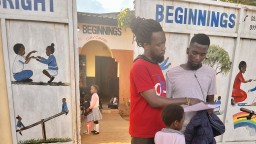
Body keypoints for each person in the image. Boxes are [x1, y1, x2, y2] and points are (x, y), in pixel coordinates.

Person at [129, 17, 200, 144]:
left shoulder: (155, 65)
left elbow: (162, 98)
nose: (163, 48)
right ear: (146, 45)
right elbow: (154, 101)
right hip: (144, 136)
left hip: (158, 132)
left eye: (164, 43)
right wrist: (187, 100)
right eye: (158, 45)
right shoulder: (139, 66)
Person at [166, 33, 216, 133]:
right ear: (187, 50)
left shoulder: (210, 73)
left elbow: (210, 101)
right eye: (194, 52)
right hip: (178, 131)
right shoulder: (171, 74)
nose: (197, 58)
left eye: (202, 54)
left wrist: (210, 108)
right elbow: (167, 103)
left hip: (199, 130)